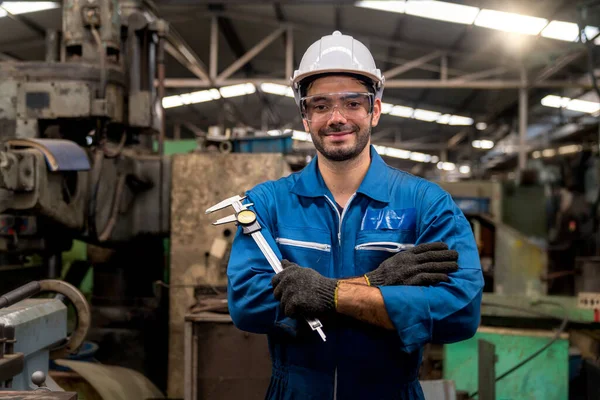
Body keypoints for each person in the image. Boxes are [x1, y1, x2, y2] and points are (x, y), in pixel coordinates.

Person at [226, 30, 484, 400]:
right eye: (320, 105)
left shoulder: (426, 203)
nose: (336, 118)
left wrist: (329, 294)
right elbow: (247, 303)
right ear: (305, 117)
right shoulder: (269, 203)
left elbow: (460, 309)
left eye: (352, 103)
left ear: (374, 111)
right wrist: (378, 284)